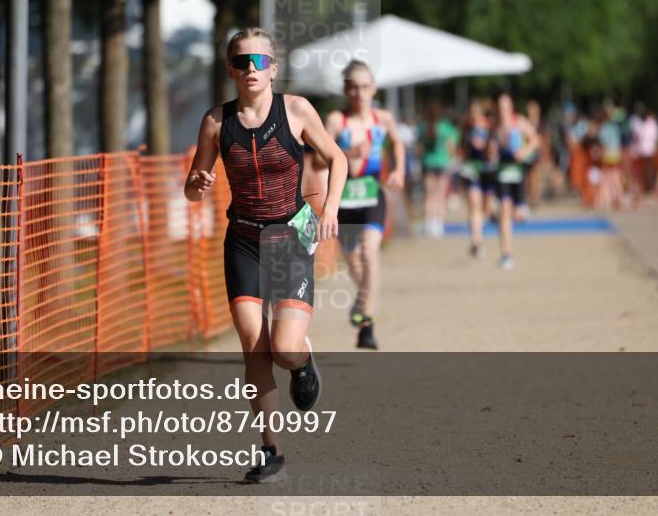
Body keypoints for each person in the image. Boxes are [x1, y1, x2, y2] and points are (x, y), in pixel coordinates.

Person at [184, 28, 346, 483]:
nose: (251, 69)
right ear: (230, 70)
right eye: (242, 61)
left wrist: (330, 208)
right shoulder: (215, 121)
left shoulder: (296, 110)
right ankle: (271, 450)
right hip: (243, 240)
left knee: (284, 348)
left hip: (290, 236)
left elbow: (338, 159)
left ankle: (302, 362)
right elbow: (192, 188)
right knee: (253, 345)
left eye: (260, 61)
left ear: (274, 68)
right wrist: (196, 184)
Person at [323, 60, 405, 350]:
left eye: (365, 86)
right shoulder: (336, 121)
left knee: (369, 252)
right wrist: (348, 153)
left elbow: (397, 143)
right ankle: (364, 302)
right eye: (353, 87)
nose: (359, 93)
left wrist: (398, 171)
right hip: (344, 199)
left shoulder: (383, 119)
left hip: (372, 195)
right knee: (355, 262)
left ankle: (366, 322)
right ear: (346, 90)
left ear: (374, 89)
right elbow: (320, 156)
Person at [492, 91, 540, 269]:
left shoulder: (519, 122)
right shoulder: (496, 127)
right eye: (500, 107)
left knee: (517, 214)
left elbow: (535, 140)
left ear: (511, 107)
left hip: (518, 173)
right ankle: (506, 254)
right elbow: (491, 150)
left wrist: (525, 151)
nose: (502, 110)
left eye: (505, 107)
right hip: (502, 173)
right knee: (504, 212)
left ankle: (522, 209)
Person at [417, 100, 459, 238]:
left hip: (428, 162)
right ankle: (439, 224)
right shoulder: (446, 127)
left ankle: (429, 223)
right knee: (440, 195)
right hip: (442, 163)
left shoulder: (423, 126)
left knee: (429, 195)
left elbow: (419, 147)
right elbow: (452, 145)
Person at [458, 100, 491, 258]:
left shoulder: (489, 127)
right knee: (473, 204)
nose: (473, 115)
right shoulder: (465, 127)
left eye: (476, 112)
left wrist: (486, 147)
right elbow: (461, 148)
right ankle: (476, 241)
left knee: (485, 207)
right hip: (471, 169)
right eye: (471, 112)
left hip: (487, 169)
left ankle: (480, 232)